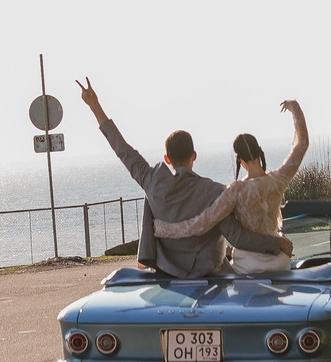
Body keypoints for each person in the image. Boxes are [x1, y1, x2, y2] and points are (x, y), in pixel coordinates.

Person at [77, 79, 291, 276]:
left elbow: (122, 150)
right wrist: (277, 243)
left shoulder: (151, 181)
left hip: (166, 274)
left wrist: (95, 106)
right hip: (210, 275)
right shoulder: (215, 192)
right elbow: (238, 237)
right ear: (194, 156)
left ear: (167, 159)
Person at [154, 100, 310, 276]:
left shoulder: (235, 191)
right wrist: (294, 108)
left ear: (239, 160)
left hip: (248, 265)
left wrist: (163, 228)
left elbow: (200, 224)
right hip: (279, 262)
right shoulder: (279, 179)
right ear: (259, 152)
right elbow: (302, 144)